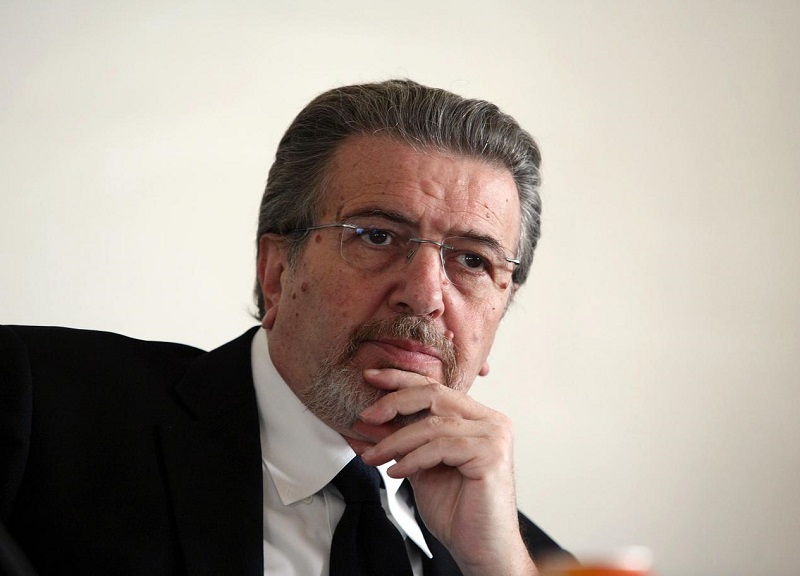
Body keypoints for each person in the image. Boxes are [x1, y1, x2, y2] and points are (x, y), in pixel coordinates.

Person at [0, 79, 569, 575]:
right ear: (276, 271)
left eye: (472, 260)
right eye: (376, 236)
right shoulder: (39, 406)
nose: (424, 296)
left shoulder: (520, 558)